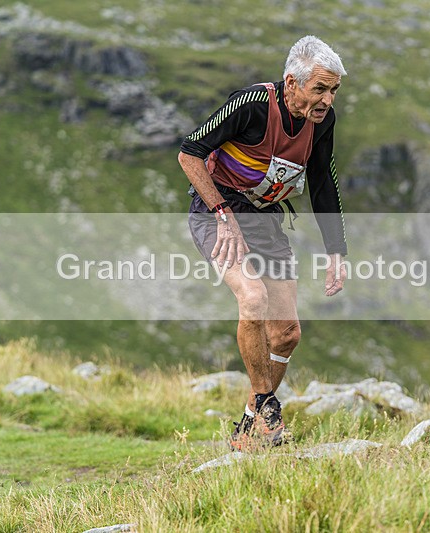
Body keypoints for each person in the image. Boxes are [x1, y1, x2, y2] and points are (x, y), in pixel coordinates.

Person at [178, 35, 348, 451]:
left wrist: (336, 251)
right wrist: (222, 214)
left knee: (287, 333)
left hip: (266, 221)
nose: (327, 100)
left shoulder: (321, 121)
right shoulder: (252, 104)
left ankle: (250, 424)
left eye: (333, 90)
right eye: (320, 89)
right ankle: (269, 406)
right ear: (292, 83)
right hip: (218, 215)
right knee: (252, 298)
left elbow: (323, 181)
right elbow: (189, 153)